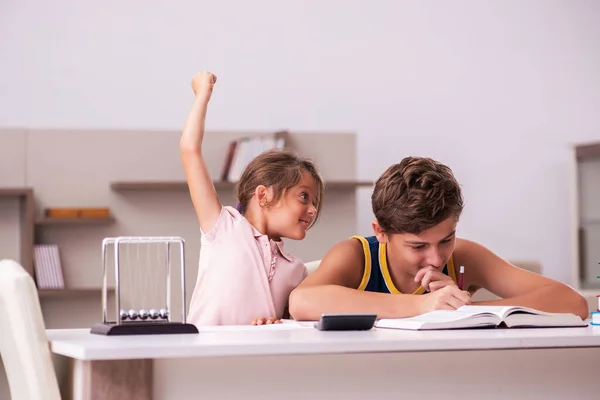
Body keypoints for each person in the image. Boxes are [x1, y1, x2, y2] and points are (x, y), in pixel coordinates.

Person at [289, 156, 589, 320]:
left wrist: (464, 310)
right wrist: (422, 306)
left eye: (446, 239)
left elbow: (572, 302)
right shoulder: (356, 256)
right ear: (381, 231)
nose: (436, 258)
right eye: (418, 246)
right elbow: (302, 302)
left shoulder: (464, 256)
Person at [181, 71, 324, 326]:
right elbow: (190, 150)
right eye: (304, 197)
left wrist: (277, 326)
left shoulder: (296, 270)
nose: (312, 210)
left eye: (314, 202)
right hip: (201, 356)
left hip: (253, 360)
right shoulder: (224, 227)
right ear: (263, 194)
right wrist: (202, 94)